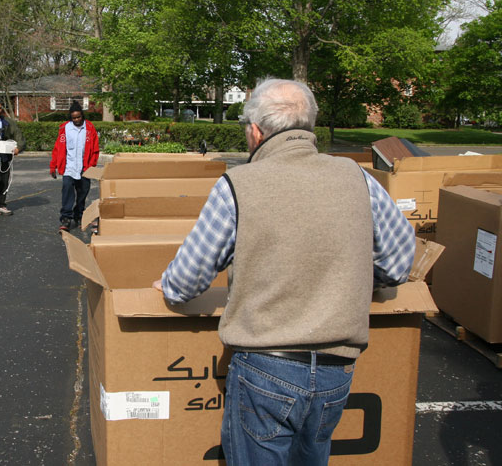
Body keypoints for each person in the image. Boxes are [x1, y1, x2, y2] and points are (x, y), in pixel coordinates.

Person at [152, 78, 416, 466]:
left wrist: (168, 284)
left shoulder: (237, 186)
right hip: (336, 370)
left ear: (255, 131)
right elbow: (397, 265)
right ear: (308, 125)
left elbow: (186, 281)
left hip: (266, 366)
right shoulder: (358, 178)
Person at [50, 101, 100, 231]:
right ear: (70, 118)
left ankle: (79, 216)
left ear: (82, 116)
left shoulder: (89, 128)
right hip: (69, 167)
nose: (76, 120)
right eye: (74, 118)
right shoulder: (65, 128)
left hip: (84, 168)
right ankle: (66, 218)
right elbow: (57, 149)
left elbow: (95, 150)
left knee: (82, 193)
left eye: (79, 117)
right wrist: (53, 166)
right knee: (67, 192)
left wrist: (91, 166)